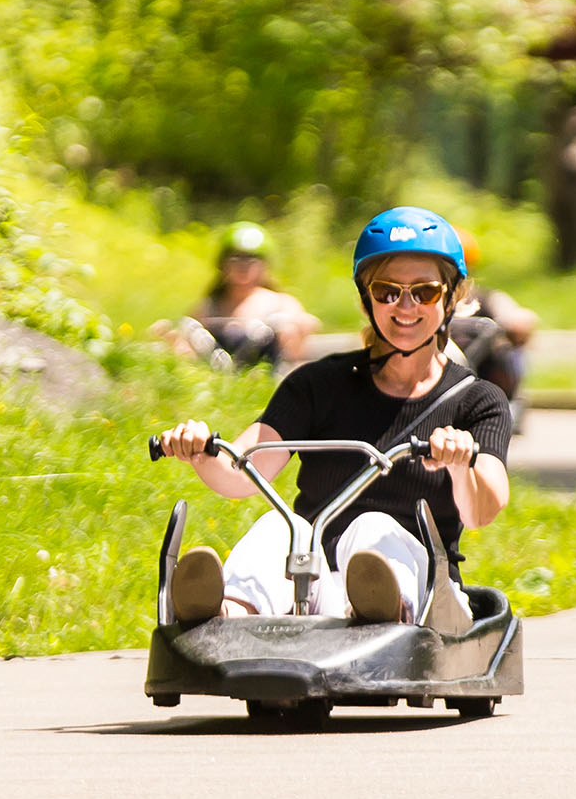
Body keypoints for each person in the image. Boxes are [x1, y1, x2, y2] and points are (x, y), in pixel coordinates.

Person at [155, 207, 512, 624]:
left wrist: (458, 465)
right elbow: (242, 471)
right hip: (318, 585)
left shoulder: (476, 400)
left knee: (372, 527)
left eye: (425, 292)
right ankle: (222, 613)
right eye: (387, 292)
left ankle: (380, 609)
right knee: (280, 528)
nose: (405, 306)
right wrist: (202, 450)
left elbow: (482, 511)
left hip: (424, 590)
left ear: (452, 297)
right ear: (367, 299)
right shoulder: (318, 385)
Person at [162, 222, 318, 370]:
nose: (243, 268)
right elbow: (190, 355)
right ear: (222, 264)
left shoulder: (281, 303)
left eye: (251, 261)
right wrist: (174, 340)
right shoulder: (209, 307)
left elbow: (298, 348)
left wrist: (298, 328)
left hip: (268, 381)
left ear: (264, 266)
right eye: (235, 260)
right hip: (220, 381)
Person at [446, 231, 539, 425]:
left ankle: (507, 402)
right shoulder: (425, 299)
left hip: (480, 367)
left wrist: (513, 323)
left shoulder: (484, 298)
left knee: (509, 352)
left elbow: (520, 317)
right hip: (440, 362)